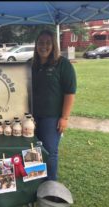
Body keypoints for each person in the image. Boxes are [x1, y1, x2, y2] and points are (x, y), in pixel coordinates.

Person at [30, 29, 77, 181]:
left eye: (48, 43)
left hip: (51, 117)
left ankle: (50, 185)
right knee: (33, 150)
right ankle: (36, 182)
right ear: (36, 45)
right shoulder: (30, 65)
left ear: (54, 45)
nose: (44, 46)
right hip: (30, 117)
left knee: (50, 151)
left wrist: (65, 118)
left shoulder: (63, 64)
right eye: (40, 43)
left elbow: (69, 93)